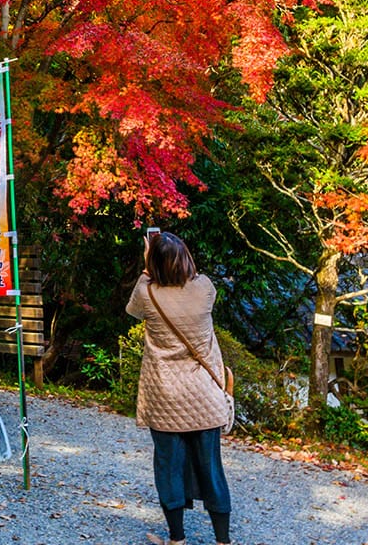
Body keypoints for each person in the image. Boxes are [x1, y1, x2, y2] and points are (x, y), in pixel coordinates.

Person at [127, 231, 234, 545]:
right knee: (211, 468)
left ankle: (177, 538)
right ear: (186, 259)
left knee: (168, 466)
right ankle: (223, 540)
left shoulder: (147, 293)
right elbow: (194, 273)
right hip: (204, 396)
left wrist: (149, 265)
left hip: (165, 397)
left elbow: (132, 310)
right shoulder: (204, 289)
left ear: (154, 262)